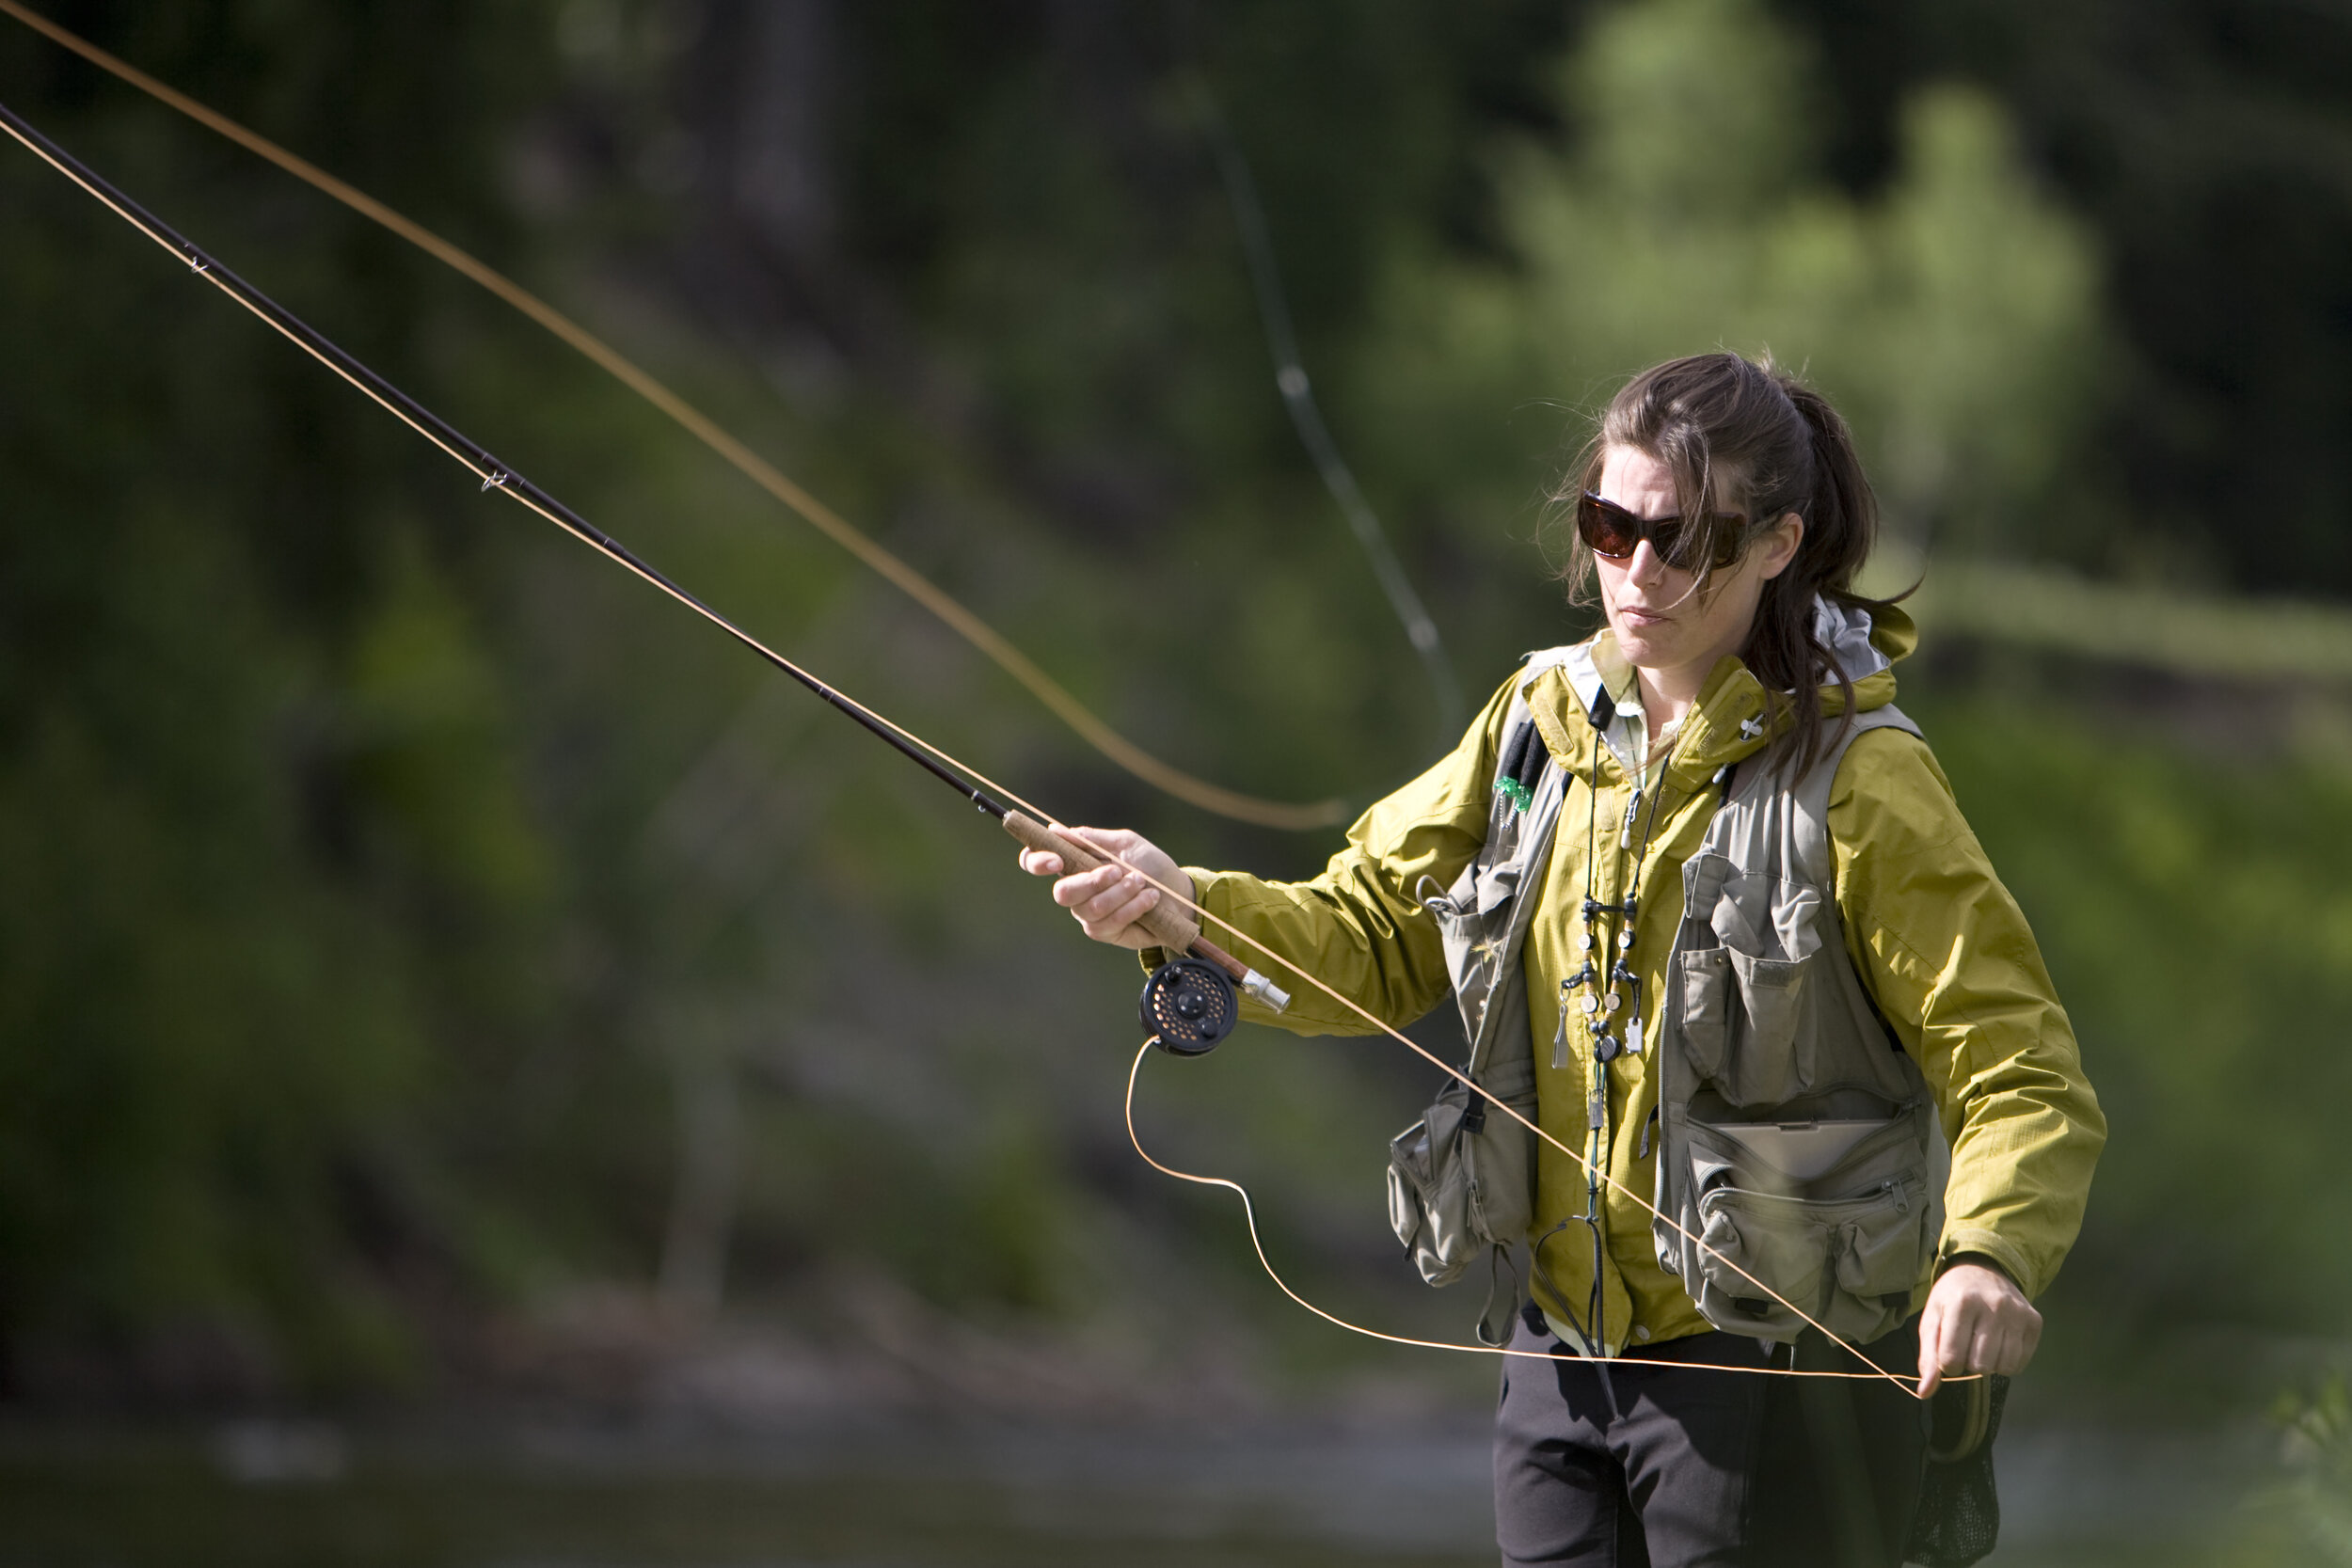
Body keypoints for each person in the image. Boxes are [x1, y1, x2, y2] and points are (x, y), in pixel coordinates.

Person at [1020, 352, 2105, 1567]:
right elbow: (1372, 938)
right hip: (1558, 1366)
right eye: (1610, 523)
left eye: (1683, 539)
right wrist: (1188, 910)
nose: (1636, 570)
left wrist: (1990, 1258)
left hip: (1781, 1381)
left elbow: (2019, 1067)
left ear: (1776, 544)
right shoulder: (1536, 725)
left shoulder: (1865, 780)